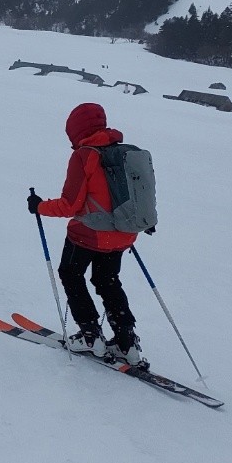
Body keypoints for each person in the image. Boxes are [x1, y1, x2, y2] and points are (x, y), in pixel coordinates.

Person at [27, 102, 145, 366]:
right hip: (124, 233)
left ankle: (91, 335)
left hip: (89, 234)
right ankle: (127, 341)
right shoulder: (125, 152)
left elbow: (71, 205)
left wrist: (38, 206)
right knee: (107, 280)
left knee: (70, 273)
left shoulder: (85, 156)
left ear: (75, 131)